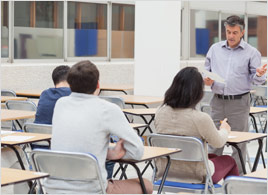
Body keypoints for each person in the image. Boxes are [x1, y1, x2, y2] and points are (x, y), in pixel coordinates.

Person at [50, 60, 153, 194]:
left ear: (70, 84)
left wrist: (107, 153)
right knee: (147, 185)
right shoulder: (107, 109)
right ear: (98, 84)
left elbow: (75, 144)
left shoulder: (60, 104)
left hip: (55, 189)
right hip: (92, 190)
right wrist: (117, 154)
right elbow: (137, 151)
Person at [204, 15, 267, 174]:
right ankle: (212, 178)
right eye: (228, 32)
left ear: (242, 32)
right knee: (214, 141)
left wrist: (259, 75)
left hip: (239, 103)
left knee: (239, 144)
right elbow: (206, 73)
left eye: (234, 32)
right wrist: (207, 80)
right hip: (217, 102)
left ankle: (237, 182)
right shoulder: (215, 49)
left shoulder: (252, 52)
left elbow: (257, 80)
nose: (230, 36)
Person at [155, 67, 239, 184]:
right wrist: (225, 129)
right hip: (196, 175)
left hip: (165, 171)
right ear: (197, 92)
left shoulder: (160, 112)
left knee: (212, 156)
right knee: (229, 160)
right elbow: (218, 142)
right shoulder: (200, 118)